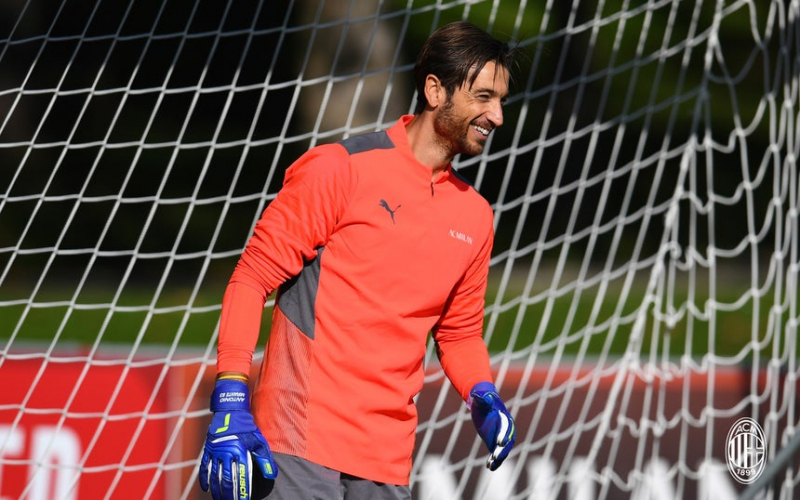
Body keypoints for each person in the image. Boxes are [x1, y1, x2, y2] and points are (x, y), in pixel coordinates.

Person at [199, 20, 518, 500]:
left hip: (386, 458)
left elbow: (459, 333)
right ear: (436, 90)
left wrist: (483, 394)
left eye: (501, 101)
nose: (497, 116)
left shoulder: (475, 216)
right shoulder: (339, 168)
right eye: (484, 97)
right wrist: (230, 394)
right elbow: (251, 278)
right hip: (298, 441)